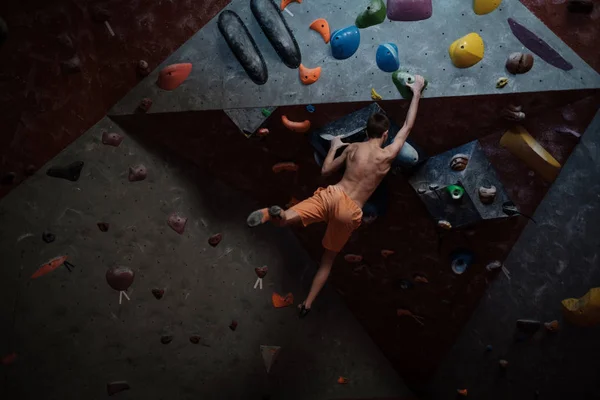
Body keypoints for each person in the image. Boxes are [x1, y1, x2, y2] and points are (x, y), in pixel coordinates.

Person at [247, 75, 426, 317]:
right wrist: (416, 91)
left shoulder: (352, 149)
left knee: (289, 218)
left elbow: (325, 171)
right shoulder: (387, 155)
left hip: (334, 194)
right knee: (327, 260)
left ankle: (274, 215)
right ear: (384, 135)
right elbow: (407, 127)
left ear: (366, 132)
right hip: (350, 211)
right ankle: (307, 304)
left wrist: (333, 148)